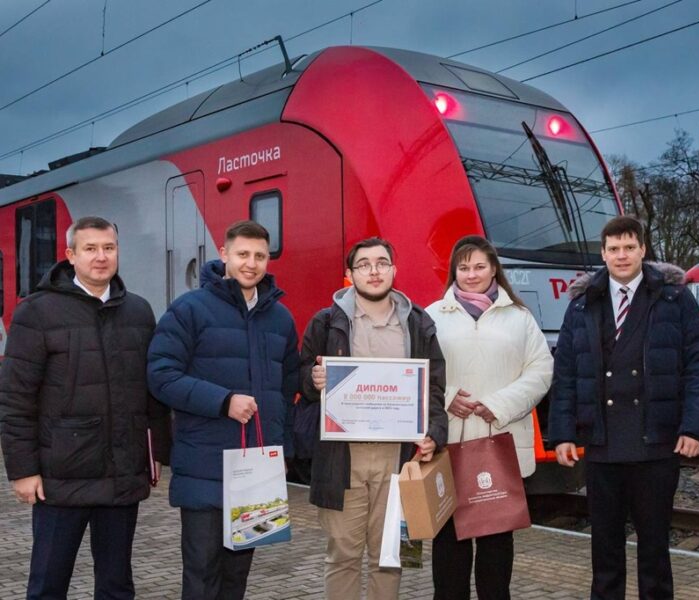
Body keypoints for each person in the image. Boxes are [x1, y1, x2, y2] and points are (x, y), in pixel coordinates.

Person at [0, 216, 171, 600]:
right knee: (48, 584)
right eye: (90, 249)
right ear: (70, 255)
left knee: (116, 585)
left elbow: (152, 392)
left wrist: (155, 450)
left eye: (108, 248)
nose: (101, 257)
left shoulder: (139, 312)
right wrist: (23, 470)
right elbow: (15, 397)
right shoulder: (37, 313)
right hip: (61, 479)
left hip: (123, 473)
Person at [549, 216, 699, 600]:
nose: (621, 256)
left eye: (629, 247)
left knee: (654, 550)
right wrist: (562, 433)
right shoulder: (582, 304)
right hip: (602, 445)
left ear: (643, 249)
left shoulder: (676, 300)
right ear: (603, 254)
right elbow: (567, 373)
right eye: (613, 249)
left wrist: (694, 427)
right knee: (604, 552)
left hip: (657, 443)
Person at [147, 220, 299, 600]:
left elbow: (286, 390)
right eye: (243, 254)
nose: (251, 263)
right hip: (204, 466)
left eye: (260, 256)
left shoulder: (281, 318)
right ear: (224, 255)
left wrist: (281, 452)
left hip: (255, 472)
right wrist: (223, 400)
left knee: (236, 577)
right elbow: (160, 376)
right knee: (201, 575)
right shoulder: (188, 309)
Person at [300, 237, 447, 600]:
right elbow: (300, 374)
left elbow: (435, 387)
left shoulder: (418, 322)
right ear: (350, 274)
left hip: (398, 459)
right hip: (342, 457)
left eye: (382, 262)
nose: (374, 270)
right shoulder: (327, 321)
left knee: (390, 555)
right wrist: (313, 380)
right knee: (343, 555)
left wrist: (434, 434)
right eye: (364, 264)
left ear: (394, 270)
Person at [425, 235, 553, 600]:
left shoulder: (520, 318)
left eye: (479, 266)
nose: (471, 274)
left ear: (494, 268)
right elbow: (419, 370)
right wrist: (449, 398)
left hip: (501, 441)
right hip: (448, 442)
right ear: (454, 271)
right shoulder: (433, 314)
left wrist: (497, 404)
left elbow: (541, 370)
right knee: (449, 540)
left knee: (497, 541)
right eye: (463, 268)